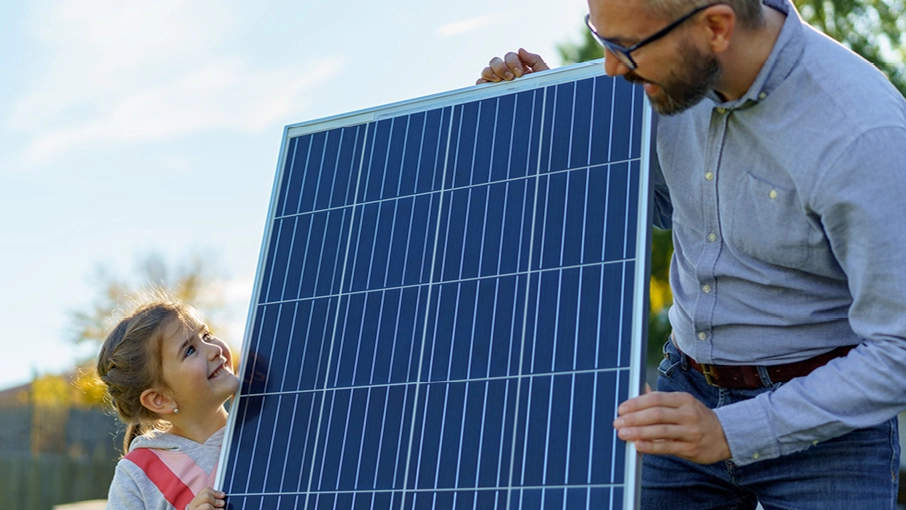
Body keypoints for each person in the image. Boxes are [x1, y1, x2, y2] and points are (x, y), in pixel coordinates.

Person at [477, 0, 906, 507]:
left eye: (627, 47)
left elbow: (898, 351)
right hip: (683, 391)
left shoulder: (862, 135)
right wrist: (556, 119)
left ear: (716, 28)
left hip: (826, 425)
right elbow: (661, 204)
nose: (612, 68)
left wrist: (731, 431)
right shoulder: (673, 76)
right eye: (603, 40)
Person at [96, 294, 239, 510]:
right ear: (160, 399)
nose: (214, 349)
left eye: (206, 335)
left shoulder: (270, 430)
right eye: (190, 350)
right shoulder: (137, 473)